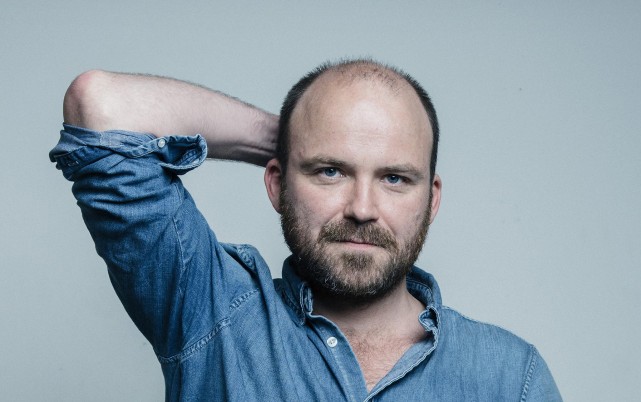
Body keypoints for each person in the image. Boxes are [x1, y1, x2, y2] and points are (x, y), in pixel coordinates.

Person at [50, 59, 562, 401]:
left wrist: (318, 150)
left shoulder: (509, 377)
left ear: (431, 200)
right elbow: (101, 106)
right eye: (330, 171)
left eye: (394, 178)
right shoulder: (210, 311)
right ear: (277, 184)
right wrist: (291, 137)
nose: (363, 209)